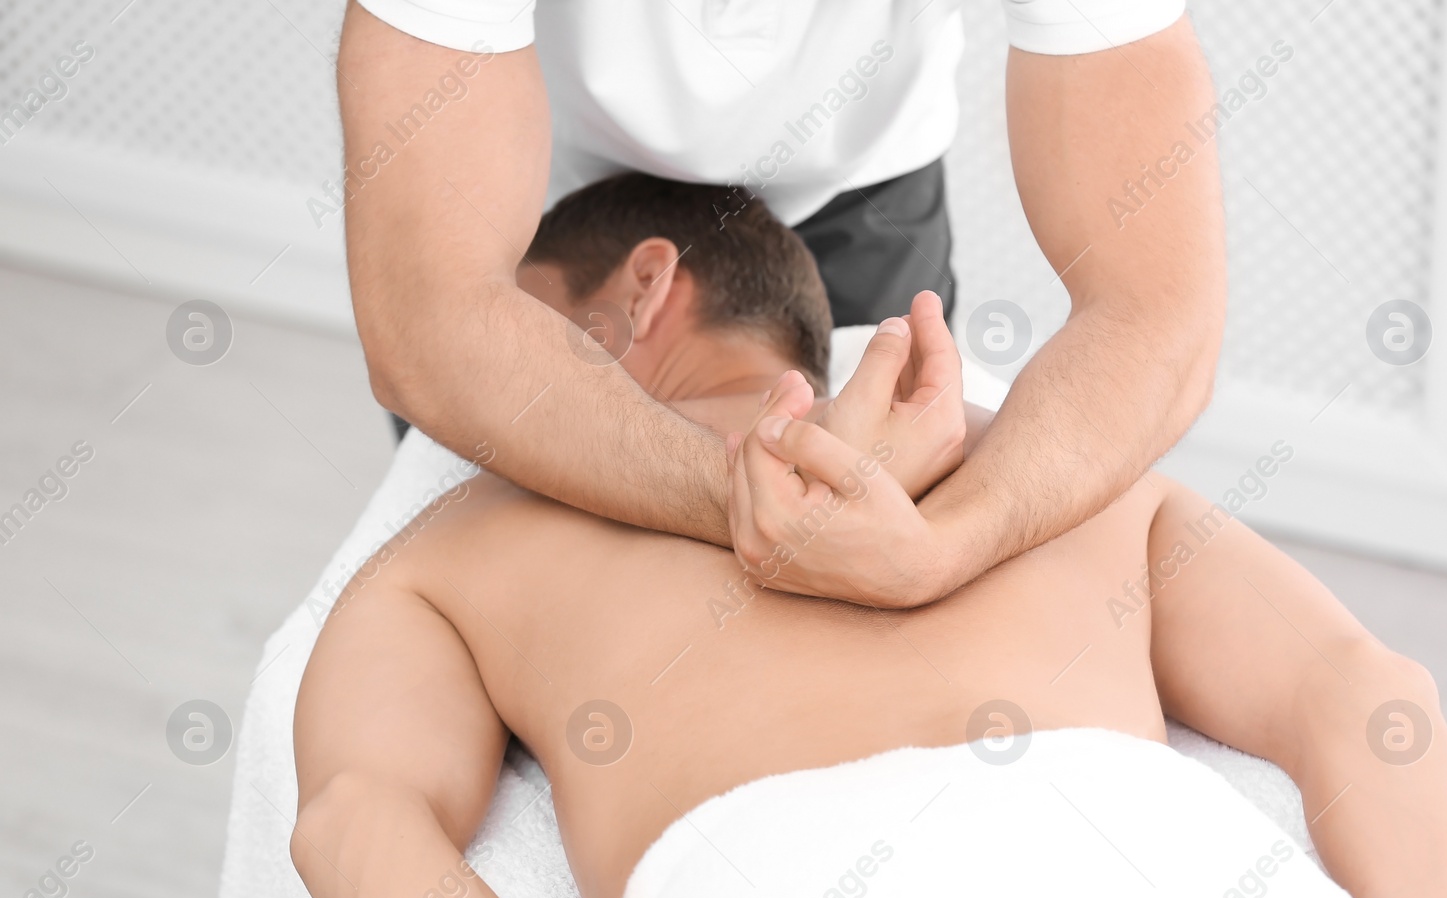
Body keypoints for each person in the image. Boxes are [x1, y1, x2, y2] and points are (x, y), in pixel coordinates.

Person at [292, 176, 1447, 898]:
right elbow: (1371, 693)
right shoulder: (1065, 485)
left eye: (514, 328)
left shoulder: (458, 549)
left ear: (642, 289)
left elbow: (357, 822)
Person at [336, 0, 1226, 608]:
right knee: (497, 566)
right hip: (547, 188)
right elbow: (431, 324)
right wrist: (750, 496)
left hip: (862, 181)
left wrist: (948, 541)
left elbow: (1156, 310)